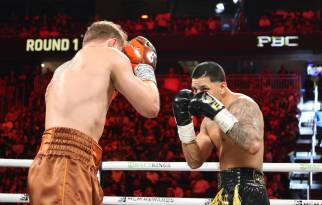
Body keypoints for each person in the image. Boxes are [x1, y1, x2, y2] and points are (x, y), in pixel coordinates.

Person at [27, 20, 160, 205]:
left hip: (50, 163)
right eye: (122, 51)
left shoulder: (60, 71)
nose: (124, 58)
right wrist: (146, 70)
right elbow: (151, 107)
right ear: (113, 43)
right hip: (69, 165)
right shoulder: (112, 55)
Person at [173, 61, 269, 205]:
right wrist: (184, 123)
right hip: (225, 188)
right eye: (194, 90)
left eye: (204, 90)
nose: (198, 96)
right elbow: (194, 161)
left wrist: (218, 112)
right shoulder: (207, 121)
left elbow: (252, 145)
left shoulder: (243, 104)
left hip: (250, 189)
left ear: (222, 87)